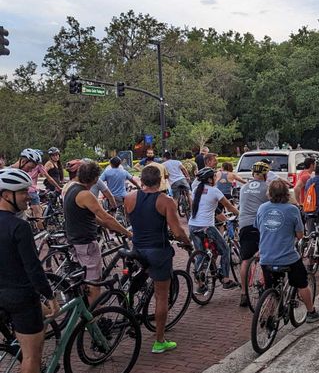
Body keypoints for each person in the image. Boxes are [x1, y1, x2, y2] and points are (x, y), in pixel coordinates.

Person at [0, 168, 60, 373]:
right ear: (6, 195)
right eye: (23, 192)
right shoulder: (19, 227)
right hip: (21, 297)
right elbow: (33, 269)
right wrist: (49, 296)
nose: (28, 196)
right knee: (31, 356)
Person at [123, 164, 192, 353]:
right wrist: (187, 242)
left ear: (141, 180)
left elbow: (132, 219)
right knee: (161, 296)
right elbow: (177, 231)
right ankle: (159, 341)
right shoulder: (166, 201)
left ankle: (129, 304)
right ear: (160, 181)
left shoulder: (129, 198)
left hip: (138, 248)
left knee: (138, 276)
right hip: (158, 251)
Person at [63, 159, 132, 303]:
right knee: (94, 282)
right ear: (95, 179)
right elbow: (107, 217)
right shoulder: (85, 195)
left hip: (74, 240)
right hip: (86, 243)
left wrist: (108, 226)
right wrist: (127, 233)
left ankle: (85, 308)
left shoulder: (72, 188)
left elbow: (92, 216)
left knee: (84, 278)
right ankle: (94, 314)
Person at [256, 178, 319, 322]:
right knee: (302, 283)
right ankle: (311, 312)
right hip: (287, 257)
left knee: (271, 286)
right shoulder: (292, 209)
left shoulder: (262, 208)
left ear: (269, 193)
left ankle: (269, 314)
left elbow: (259, 227)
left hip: (266, 257)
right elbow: (300, 235)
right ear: (287, 193)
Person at [188, 168, 239, 289]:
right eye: (214, 176)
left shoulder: (196, 190)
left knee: (200, 254)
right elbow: (229, 206)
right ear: (210, 179)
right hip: (206, 226)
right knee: (225, 250)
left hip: (193, 225)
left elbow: (206, 206)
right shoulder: (215, 191)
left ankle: (201, 285)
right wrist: (240, 214)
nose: (216, 178)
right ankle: (226, 280)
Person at [238, 162, 270, 307]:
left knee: (245, 260)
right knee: (265, 256)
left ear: (253, 174)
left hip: (244, 225)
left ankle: (244, 293)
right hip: (261, 226)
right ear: (265, 174)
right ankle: (266, 286)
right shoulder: (267, 187)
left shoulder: (243, 188)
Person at [12, 148, 62, 229]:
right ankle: (41, 230)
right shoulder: (13, 173)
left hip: (31, 191)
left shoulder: (26, 169)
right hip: (32, 192)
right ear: (23, 161)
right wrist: (58, 187)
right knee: (38, 214)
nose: (30, 170)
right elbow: (48, 178)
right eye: (30, 167)